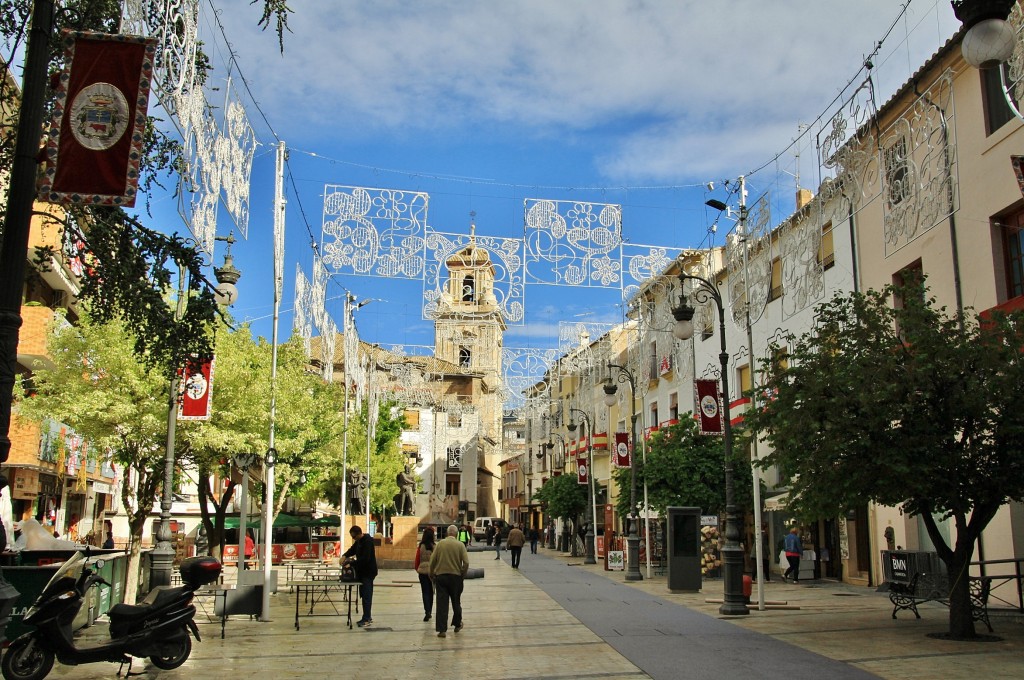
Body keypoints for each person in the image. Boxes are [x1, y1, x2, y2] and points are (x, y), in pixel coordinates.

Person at [428, 524, 469, 638]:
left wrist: (431, 574)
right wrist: (462, 574)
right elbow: (466, 562)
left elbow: (432, 561)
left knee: (442, 603)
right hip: (455, 577)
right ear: (456, 534)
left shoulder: (440, 544)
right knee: (456, 601)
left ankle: (442, 630)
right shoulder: (460, 545)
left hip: (441, 577)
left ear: (447, 533)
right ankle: (457, 624)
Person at [342, 525, 379, 627]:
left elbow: (365, 559)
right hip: (362, 573)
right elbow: (352, 550)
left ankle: (367, 618)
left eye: (354, 537)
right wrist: (345, 556)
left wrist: (352, 564)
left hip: (368, 572)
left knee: (367, 595)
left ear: (359, 534)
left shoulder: (367, 542)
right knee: (363, 594)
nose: (353, 539)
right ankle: (366, 616)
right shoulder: (359, 542)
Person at [415, 527, 436, 622]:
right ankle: (430, 611)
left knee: (425, 592)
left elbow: (417, 559)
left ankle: (427, 611)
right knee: (431, 591)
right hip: (432, 571)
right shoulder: (434, 547)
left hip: (422, 571)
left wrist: (417, 569)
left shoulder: (421, 546)